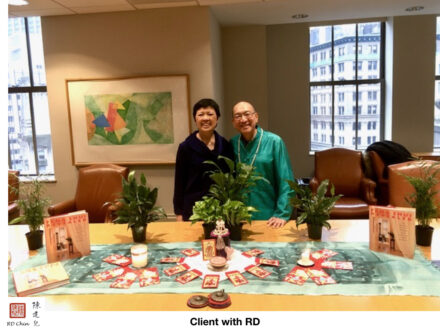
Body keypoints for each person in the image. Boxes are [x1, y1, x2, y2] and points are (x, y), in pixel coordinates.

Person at [230, 101, 294, 228]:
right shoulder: (232, 143)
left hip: (269, 216)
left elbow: (286, 180)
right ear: (233, 122)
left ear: (256, 117)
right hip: (238, 217)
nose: (243, 120)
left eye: (247, 114)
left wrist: (282, 213)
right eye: (238, 116)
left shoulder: (274, 142)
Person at [173, 98, 234, 221]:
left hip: (220, 208)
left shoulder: (225, 145)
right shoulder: (185, 147)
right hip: (193, 209)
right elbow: (179, 182)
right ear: (195, 119)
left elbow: (230, 179)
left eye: (210, 114)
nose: (205, 118)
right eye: (201, 114)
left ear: (217, 118)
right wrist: (179, 213)